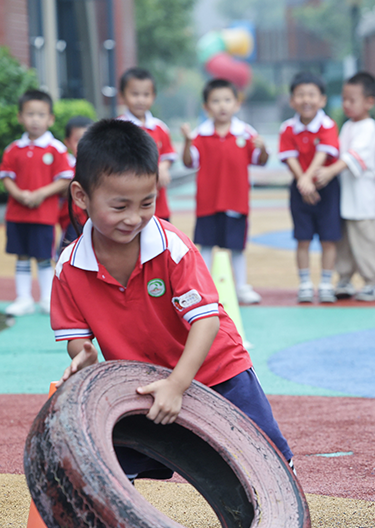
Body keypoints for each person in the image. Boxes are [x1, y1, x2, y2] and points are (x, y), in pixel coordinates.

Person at [51, 118, 294, 479]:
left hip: (217, 369)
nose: (135, 218)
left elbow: (206, 321)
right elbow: (76, 337)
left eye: (146, 203)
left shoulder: (171, 247)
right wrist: (82, 355)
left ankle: (271, 526)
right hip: (143, 381)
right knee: (116, 467)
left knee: (264, 459)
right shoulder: (70, 268)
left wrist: (179, 384)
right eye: (120, 207)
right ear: (81, 196)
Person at [180, 78, 268, 305]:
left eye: (227, 100)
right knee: (206, 246)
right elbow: (189, 163)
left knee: (237, 247)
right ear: (206, 107)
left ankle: (241, 287)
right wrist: (187, 144)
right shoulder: (200, 134)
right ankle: (205, 289)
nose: (222, 105)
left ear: (236, 104)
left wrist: (263, 148)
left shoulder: (246, 133)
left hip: (236, 201)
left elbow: (260, 161)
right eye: (216, 101)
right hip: (207, 202)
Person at [0, 89, 74, 316]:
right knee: (21, 255)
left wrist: (41, 193)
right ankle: (23, 298)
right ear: (20, 117)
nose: (35, 119)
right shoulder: (14, 149)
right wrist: (20, 194)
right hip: (17, 214)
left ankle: (46, 298)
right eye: (30, 114)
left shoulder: (57, 148)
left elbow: (65, 178)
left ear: (50, 118)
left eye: (40, 114)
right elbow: (6, 177)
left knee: (43, 256)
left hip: (44, 215)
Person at [278, 71, 342, 304]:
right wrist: (302, 182)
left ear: (322, 100)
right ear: (292, 100)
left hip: (327, 188)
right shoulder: (287, 128)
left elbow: (325, 152)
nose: (306, 100)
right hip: (299, 189)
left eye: (312, 95)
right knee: (302, 239)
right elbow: (289, 156)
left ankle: (326, 283)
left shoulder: (327, 124)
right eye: (300, 95)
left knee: (328, 239)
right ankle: (305, 283)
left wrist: (307, 178)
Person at [332, 71, 375, 302]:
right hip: (345, 194)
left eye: (352, 100)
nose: (346, 104)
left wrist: (330, 171)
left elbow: (354, 157)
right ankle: (344, 278)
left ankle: (371, 281)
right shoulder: (348, 127)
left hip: (361, 196)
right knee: (343, 240)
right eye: (344, 99)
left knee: (364, 238)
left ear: (369, 101)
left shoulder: (369, 127)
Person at [117, 67, 176, 222]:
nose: (140, 100)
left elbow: (168, 154)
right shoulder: (117, 128)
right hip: (128, 199)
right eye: (135, 94)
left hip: (158, 201)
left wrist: (163, 167)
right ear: (122, 96)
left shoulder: (160, 128)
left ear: (153, 96)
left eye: (146, 95)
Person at [57, 116, 93, 250]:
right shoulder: (65, 166)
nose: (84, 144)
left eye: (88, 139)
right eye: (78, 140)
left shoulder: (101, 166)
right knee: (68, 251)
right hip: (73, 221)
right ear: (68, 142)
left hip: (96, 219)